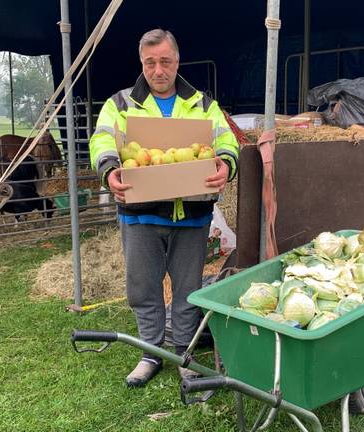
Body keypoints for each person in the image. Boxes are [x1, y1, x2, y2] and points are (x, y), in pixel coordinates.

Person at [89, 28, 239, 387]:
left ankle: (184, 353)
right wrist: (109, 170)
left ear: (177, 61)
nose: (159, 70)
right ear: (142, 63)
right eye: (151, 62)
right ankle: (150, 352)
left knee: (188, 288)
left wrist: (226, 164)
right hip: (140, 213)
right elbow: (102, 139)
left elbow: (225, 139)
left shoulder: (202, 103)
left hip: (192, 214)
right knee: (143, 287)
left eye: (166, 62)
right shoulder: (121, 104)